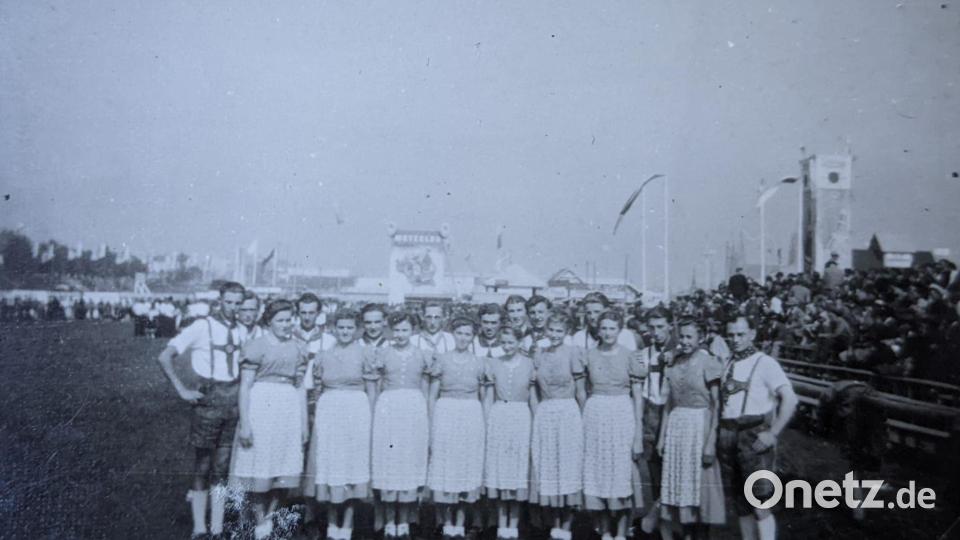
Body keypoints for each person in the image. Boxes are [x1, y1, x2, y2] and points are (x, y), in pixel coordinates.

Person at [156, 281, 247, 539]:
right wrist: (182, 390)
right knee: (203, 464)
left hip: (233, 401)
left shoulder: (241, 330)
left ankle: (217, 527)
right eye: (228, 302)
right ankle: (199, 527)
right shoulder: (201, 326)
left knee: (222, 466)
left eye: (238, 303)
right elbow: (164, 356)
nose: (233, 307)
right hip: (208, 400)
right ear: (219, 301)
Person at [230, 300, 309, 539]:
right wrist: (245, 423)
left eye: (289, 320)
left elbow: (301, 388)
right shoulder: (256, 346)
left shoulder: (298, 348)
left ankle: (268, 519)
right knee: (259, 465)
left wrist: (304, 424)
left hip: (288, 410)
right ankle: (258, 518)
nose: (286, 325)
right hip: (261, 407)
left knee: (282, 468)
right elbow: (244, 387)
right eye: (281, 320)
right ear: (269, 322)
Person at [718, 315, 798, 540]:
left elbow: (790, 399)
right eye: (731, 335)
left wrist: (773, 433)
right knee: (740, 503)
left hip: (753, 436)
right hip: (727, 435)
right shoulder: (728, 362)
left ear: (752, 334)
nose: (735, 339)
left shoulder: (765, 363)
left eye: (740, 334)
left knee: (760, 501)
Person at [306, 309, 376, 540]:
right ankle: (331, 524)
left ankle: (347, 525)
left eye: (349, 328)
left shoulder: (366, 353)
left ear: (357, 330)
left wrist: (373, 420)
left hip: (356, 411)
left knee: (351, 467)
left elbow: (372, 391)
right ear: (333, 329)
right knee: (331, 466)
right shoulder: (323, 355)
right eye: (341, 327)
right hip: (329, 412)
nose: (345, 332)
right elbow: (316, 390)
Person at [656, 318, 725, 539]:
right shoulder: (674, 362)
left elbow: (716, 404)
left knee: (699, 491)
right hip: (677, 427)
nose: (685, 341)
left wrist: (711, 441)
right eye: (682, 336)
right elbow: (669, 403)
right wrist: (661, 438)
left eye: (690, 337)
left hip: (700, 427)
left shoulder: (709, 362)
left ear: (701, 337)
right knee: (680, 490)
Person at [368, 312, 433, 540]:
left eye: (405, 330)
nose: (400, 335)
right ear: (390, 331)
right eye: (396, 330)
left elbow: (425, 388)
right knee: (389, 461)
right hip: (388, 408)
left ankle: (404, 520)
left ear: (413, 331)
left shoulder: (423, 355)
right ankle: (388, 521)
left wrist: (425, 414)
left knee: (408, 461)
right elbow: (376, 387)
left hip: (413, 409)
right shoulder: (382, 353)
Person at [582, 310, 646, 540]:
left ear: (620, 330)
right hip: (596, 414)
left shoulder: (631, 356)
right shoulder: (588, 355)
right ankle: (605, 531)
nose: (608, 333)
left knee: (620, 473)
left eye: (612, 328)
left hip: (621, 414)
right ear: (597, 330)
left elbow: (638, 397)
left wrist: (638, 434)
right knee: (598, 473)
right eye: (604, 328)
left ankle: (621, 532)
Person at [427, 316, 486, 540]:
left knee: (463, 469)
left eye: (467, 334)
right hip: (445, 413)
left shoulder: (480, 362)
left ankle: (460, 524)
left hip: (470, 415)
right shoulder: (441, 359)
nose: (463, 338)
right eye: (459, 333)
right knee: (445, 468)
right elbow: (432, 395)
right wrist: (432, 423)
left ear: (473, 337)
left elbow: (482, 397)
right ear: (453, 334)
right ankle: (445, 523)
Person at [530, 312, 585, 540]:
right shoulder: (539, 353)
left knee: (568, 468)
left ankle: (568, 524)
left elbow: (581, 391)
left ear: (567, 333)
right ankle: (554, 524)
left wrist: (582, 420)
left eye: (559, 331)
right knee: (549, 468)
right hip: (545, 413)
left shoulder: (573, 353)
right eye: (551, 330)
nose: (554, 335)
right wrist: (537, 413)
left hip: (568, 413)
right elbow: (533, 388)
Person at [482, 326, 537, 540]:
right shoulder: (494, 363)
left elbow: (532, 397)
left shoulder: (529, 364)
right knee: (500, 469)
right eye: (503, 342)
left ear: (519, 342)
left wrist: (535, 420)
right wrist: (487, 423)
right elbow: (488, 397)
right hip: (499, 415)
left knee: (517, 469)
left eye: (511, 342)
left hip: (521, 416)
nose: (507, 346)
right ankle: (500, 523)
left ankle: (513, 523)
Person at [636, 307, 674, 532]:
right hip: (651, 411)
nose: (656, 332)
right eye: (652, 328)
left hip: (672, 412)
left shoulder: (681, 350)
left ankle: (662, 519)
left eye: (661, 327)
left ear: (670, 325)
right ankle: (664, 528)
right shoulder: (645, 353)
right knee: (654, 470)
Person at [567, 292, 638, 351]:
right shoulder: (579, 337)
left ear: (607, 310)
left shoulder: (625, 335)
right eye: (589, 313)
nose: (592, 317)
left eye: (597, 312)